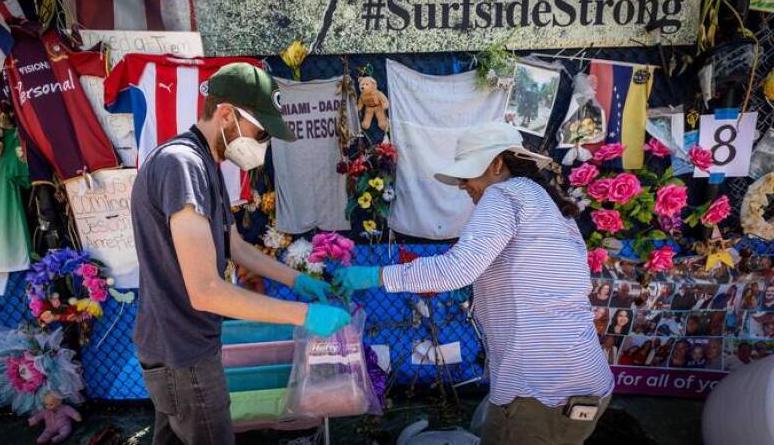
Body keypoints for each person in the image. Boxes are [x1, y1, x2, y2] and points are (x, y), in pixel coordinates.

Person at [332, 121, 613, 445]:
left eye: (468, 174)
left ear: (497, 164)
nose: (464, 185)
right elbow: (534, 277)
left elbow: (457, 269)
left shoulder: (503, 194)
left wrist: (375, 275)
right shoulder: (549, 207)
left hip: (539, 392)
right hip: (588, 385)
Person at [130, 63, 351, 445]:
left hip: (180, 348)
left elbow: (234, 246)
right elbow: (207, 291)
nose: (263, 144)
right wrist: (305, 315)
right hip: (184, 355)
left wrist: (297, 280)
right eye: (261, 131)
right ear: (226, 114)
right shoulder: (181, 165)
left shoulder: (205, 165)